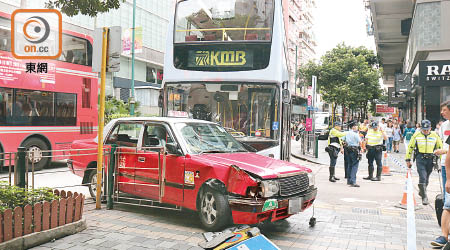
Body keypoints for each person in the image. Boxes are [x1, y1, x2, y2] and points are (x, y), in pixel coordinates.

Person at [405, 119, 443, 205]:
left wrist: (441, 162)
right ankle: (424, 197)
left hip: (431, 159)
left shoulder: (435, 135)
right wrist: (408, 159)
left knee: (427, 178)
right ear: (421, 128)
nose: (426, 131)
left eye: (427, 129)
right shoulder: (416, 135)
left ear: (430, 128)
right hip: (420, 158)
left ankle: (422, 191)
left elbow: (440, 148)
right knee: (423, 176)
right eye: (424, 129)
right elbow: (410, 147)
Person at [431, 101, 450, 248]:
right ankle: (444, 235)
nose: (442, 113)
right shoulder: (444, 125)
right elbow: (447, 150)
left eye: (444, 110)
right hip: (446, 166)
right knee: (448, 202)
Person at [343, 122, 363, 187]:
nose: (357, 127)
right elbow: (360, 142)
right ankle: (353, 181)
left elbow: (343, 141)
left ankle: (348, 180)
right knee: (355, 165)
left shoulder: (346, 133)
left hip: (348, 150)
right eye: (356, 126)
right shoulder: (355, 134)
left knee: (349, 165)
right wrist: (362, 149)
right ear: (353, 127)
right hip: (354, 150)